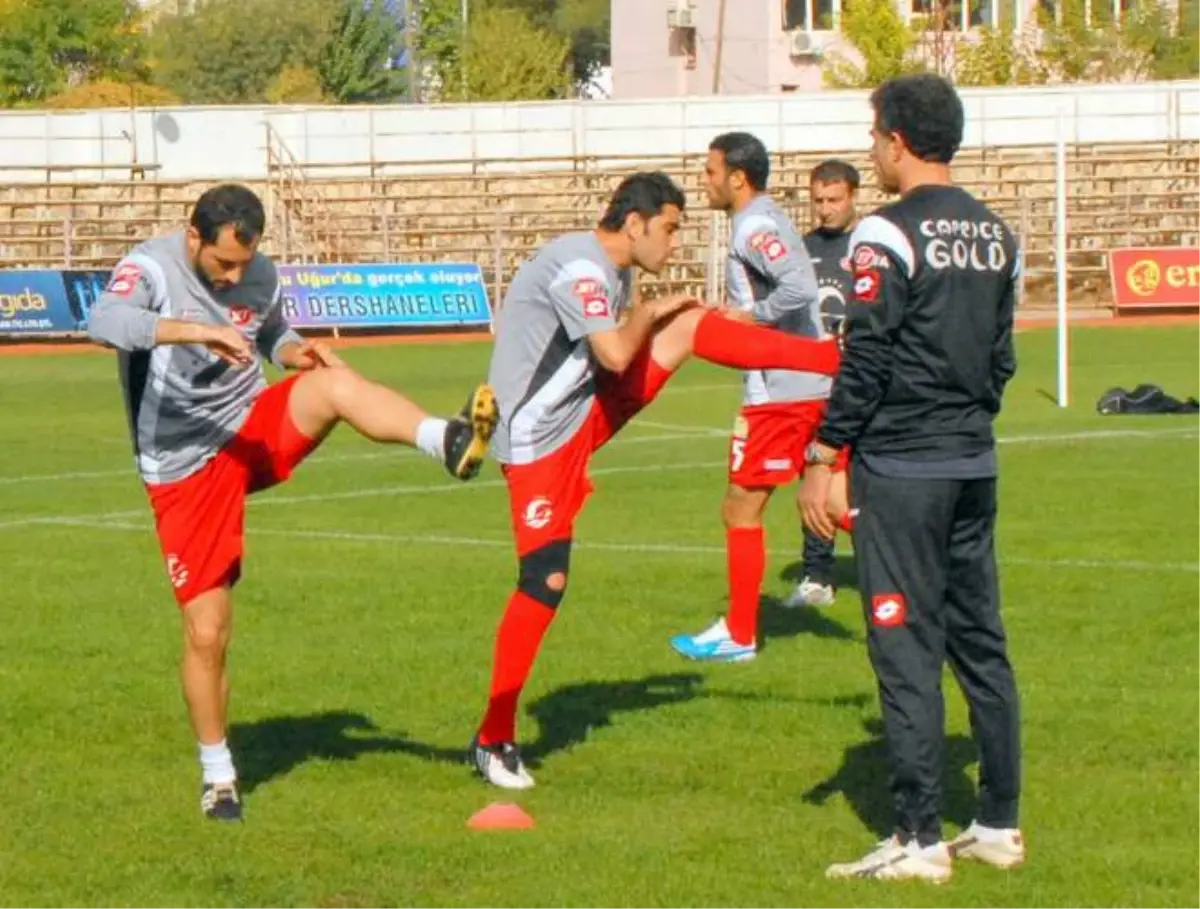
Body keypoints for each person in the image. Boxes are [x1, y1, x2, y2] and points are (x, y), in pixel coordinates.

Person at [86, 183, 499, 822]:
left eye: (244, 266)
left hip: (249, 426)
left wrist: (293, 352)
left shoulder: (258, 273)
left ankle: (443, 440)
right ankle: (219, 776)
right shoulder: (150, 268)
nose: (234, 276)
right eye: (223, 264)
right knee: (207, 632)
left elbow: (273, 330)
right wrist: (193, 328)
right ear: (193, 237)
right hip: (184, 467)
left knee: (331, 380)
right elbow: (104, 323)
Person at [469, 171, 842, 789]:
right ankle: (493, 737)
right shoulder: (583, 268)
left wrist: (654, 314)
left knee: (689, 323)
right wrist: (646, 312)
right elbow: (615, 354)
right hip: (537, 444)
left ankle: (837, 360)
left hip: (580, 416)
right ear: (635, 223)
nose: (674, 243)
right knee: (545, 581)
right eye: (669, 229)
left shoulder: (607, 267)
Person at [799, 74, 1024, 883]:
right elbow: (1002, 356)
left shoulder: (883, 234)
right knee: (982, 643)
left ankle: (918, 837)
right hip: (973, 460)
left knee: (904, 647)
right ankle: (998, 820)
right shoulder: (998, 234)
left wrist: (826, 454)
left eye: (873, 136)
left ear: (896, 139)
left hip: (904, 467)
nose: (871, 150)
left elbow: (868, 357)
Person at [668, 132, 828, 663]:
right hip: (802, 383)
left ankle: (739, 635)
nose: (704, 180)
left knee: (741, 506)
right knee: (842, 502)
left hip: (782, 391)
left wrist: (749, 318)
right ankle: (924, 587)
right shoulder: (761, 219)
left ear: (738, 177)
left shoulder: (755, 225)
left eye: (711, 171)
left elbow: (800, 288)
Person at [786, 158, 861, 610]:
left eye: (834, 200)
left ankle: (887, 562)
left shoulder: (869, 245)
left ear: (853, 197)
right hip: (813, 384)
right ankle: (817, 575)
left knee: (864, 480)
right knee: (814, 476)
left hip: (861, 380)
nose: (825, 209)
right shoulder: (800, 251)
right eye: (818, 201)